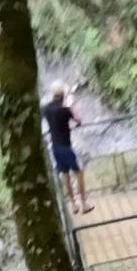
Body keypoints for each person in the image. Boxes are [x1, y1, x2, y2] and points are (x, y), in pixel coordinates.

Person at [42, 81, 94, 215]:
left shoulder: (46, 109)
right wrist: (70, 106)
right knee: (79, 173)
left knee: (65, 175)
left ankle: (73, 205)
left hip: (55, 148)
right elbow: (79, 120)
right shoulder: (65, 110)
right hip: (66, 146)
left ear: (52, 94)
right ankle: (83, 204)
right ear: (63, 95)